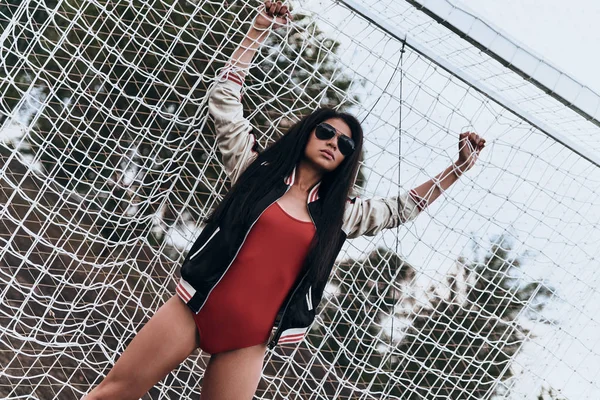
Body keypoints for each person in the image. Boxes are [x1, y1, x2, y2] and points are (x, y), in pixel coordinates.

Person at [83, 1, 486, 399]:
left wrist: (457, 169)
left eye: (345, 143)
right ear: (307, 133)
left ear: (348, 158)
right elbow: (224, 103)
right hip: (194, 308)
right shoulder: (254, 170)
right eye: (325, 132)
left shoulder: (341, 215)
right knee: (116, 391)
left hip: (250, 341)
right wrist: (257, 31)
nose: (333, 143)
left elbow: (402, 208)